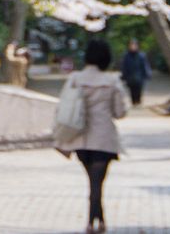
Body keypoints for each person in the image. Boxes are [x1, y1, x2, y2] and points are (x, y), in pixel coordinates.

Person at [55, 39, 130, 234]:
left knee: (93, 181)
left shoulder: (74, 78)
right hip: (103, 138)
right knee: (97, 182)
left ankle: (97, 221)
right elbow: (120, 112)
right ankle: (93, 222)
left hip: (79, 137)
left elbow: (61, 108)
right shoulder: (112, 81)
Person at [117, 41, 151, 106]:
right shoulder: (126, 56)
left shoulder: (141, 56)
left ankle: (138, 102)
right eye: (131, 45)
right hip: (130, 77)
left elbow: (145, 65)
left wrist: (147, 73)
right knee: (132, 91)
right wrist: (123, 75)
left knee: (139, 90)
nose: (133, 47)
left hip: (139, 77)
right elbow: (124, 66)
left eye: (134, 45)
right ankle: (134, 103)